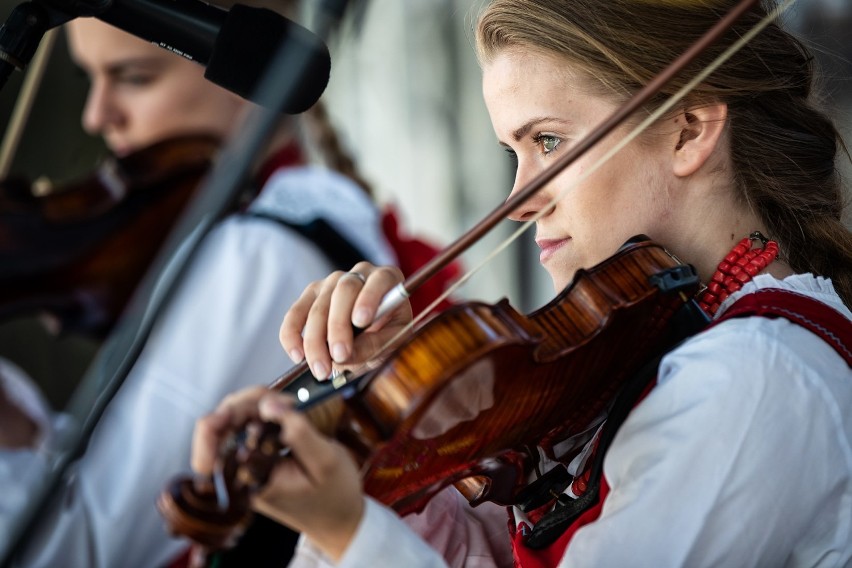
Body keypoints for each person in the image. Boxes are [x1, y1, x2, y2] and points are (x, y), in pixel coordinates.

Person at [190, 0, 852, 566]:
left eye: (550, 142)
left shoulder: (751, 376)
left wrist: (349, 531)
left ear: (688, 129)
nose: (520, 200)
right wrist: (386, 421)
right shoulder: (647, 358)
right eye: (515, 152)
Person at [1, 6, 437, 567]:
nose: (96, 116)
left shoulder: (258, 257)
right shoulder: (277, 224)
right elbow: (107, 479)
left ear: (251, 67)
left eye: (134, 77)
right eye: (91, 77)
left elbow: (84, 549)